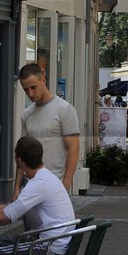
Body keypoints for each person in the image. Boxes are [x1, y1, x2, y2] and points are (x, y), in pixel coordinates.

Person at [18, 62, 82, 190]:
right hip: (30, 184)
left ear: (43, 80)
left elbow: (73, 149)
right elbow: (22, 153)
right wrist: (16, 189)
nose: (30, 93)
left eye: (33, 87)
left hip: (54, 182)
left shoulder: (64, 109)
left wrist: (66, 184)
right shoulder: (26, 114)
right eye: (26, 89)